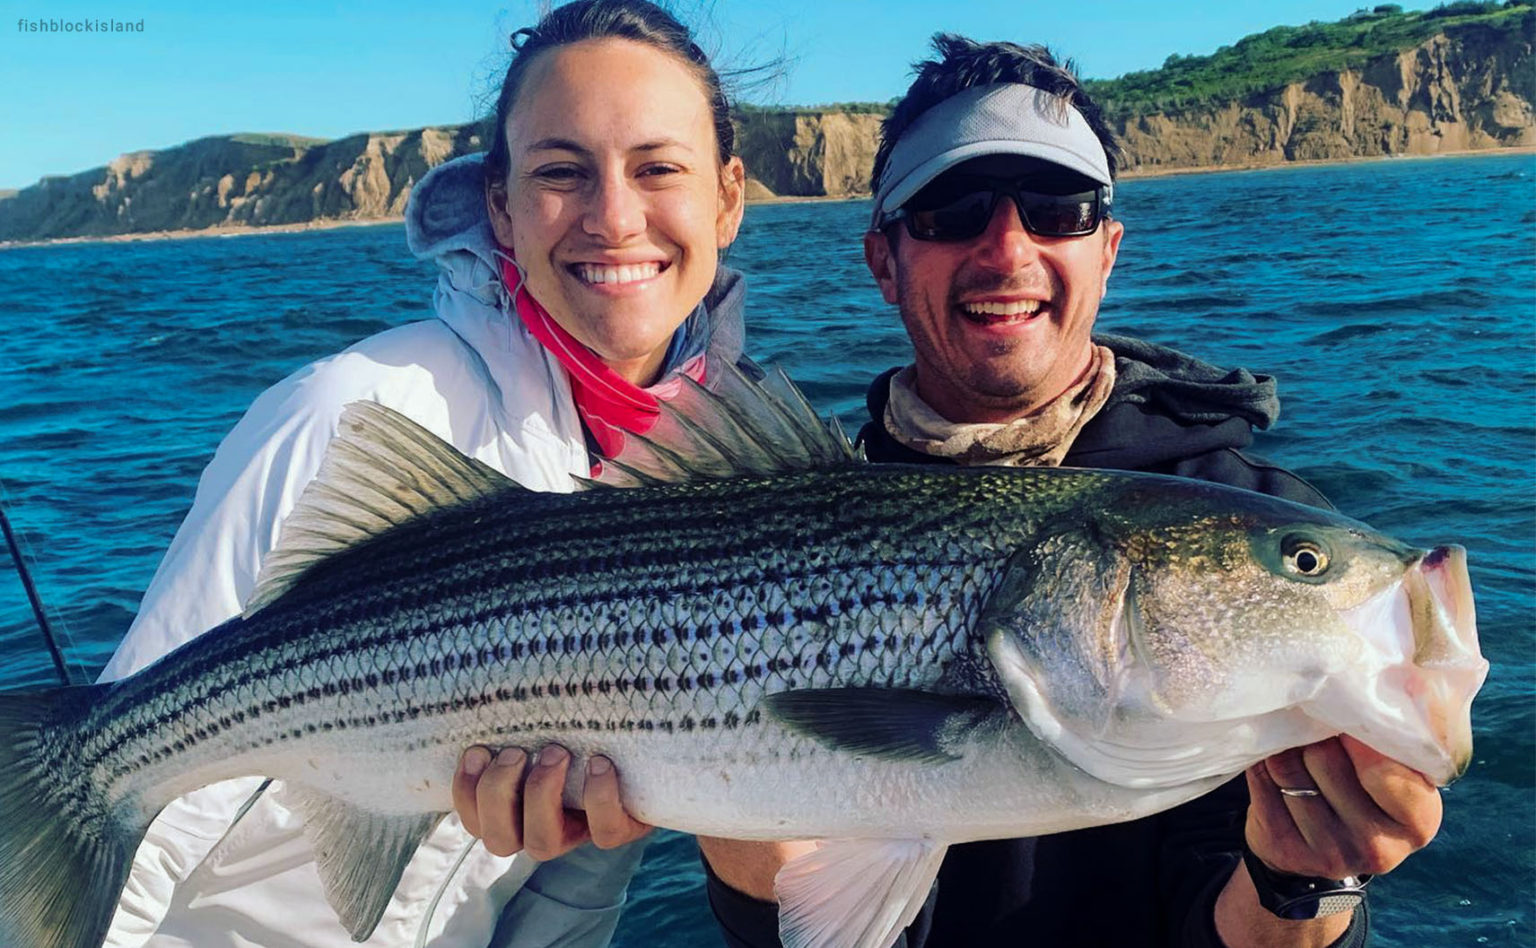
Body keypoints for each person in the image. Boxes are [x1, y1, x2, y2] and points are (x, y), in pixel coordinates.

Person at [695, 36, 1444, 948]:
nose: (1007, 248)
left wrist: (1301, 881)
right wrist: (727, 808)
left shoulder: (1238, 501)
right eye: (948, 210)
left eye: (1059, 209)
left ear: (1108, 250)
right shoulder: (779, 503)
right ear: (882, 260)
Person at [98, 2, 743, 945]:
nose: (614, 216)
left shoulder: (713, 487)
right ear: (500, 206)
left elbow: (578, 888)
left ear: (728, 197)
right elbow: (134, 812)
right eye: (561, 172)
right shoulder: (352, 413)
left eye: (659, 168)